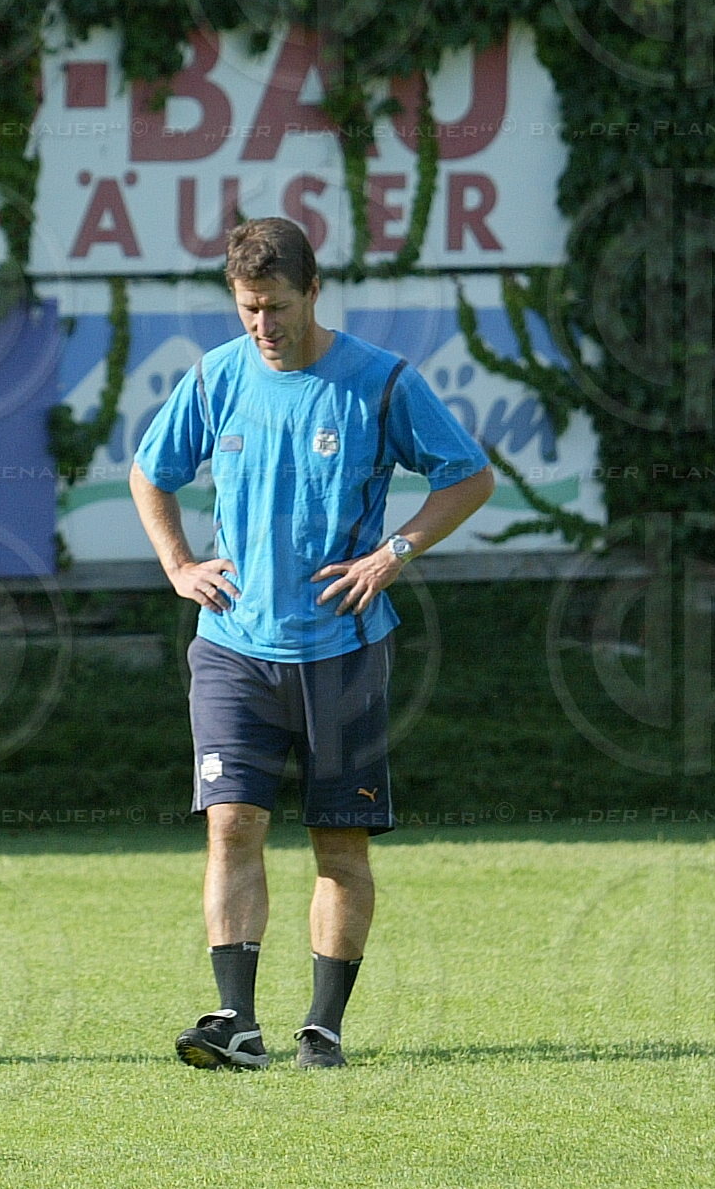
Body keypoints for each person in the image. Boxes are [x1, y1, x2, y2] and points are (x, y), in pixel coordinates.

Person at [127, 217, 494, 1071]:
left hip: (342, 652)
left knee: (338, 842)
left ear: (314, 290)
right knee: (233, 826)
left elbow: (469, 474)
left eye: (278, 306)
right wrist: (179, 564)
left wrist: (395, 552)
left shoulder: (379, 381)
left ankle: (322, 1028)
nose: (263, 326)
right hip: (232, 647)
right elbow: (152, 471)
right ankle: (234, 1022)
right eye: (248, 309)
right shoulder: (217, 379)